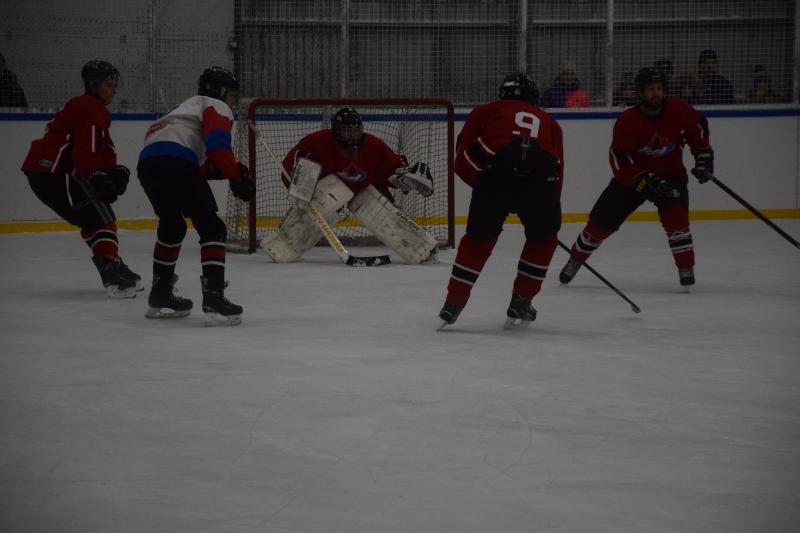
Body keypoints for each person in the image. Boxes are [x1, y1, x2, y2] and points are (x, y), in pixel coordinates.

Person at [558, 67, 714, 289]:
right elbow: (619, 157)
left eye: (659, 88)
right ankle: (576, 259)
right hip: (632, 178)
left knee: (677, 219)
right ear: (640, 92)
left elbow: (699, 129)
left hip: (670, 176)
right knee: (600, 222)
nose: (656, 93)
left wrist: (703, 158)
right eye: (650, 89)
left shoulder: (680, 110)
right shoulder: (628, 119)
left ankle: (685, 267)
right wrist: (643, 179)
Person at [438, 72, 563, 328]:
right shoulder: (550, 122)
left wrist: (485, 187)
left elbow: (462, 159)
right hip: (539, 181)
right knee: (543, 240)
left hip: (495, 178)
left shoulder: (484, 111)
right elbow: (557, 172)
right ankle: (522, 300)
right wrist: (546, 213)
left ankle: (453, 303)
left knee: (478, 240)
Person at [137, 66, 255, 326]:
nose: (234, 102)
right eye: (233, 95)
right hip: (176, 162)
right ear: (221, 92)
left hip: (148, 164)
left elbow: (197, 163)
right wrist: (236, 176)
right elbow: (217, 147)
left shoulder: (181, 109)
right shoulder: (216, 105)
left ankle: (160, 293)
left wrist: (225, 171)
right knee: (213, 228)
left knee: (172, 226)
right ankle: (214, 297)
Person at [21, 59, 141, 297]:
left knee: (92, 219)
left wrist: (114, 171)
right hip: (56, 171)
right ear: (93, 84)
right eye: (108, 85)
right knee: (101, 218)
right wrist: (98, 175)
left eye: (115, 85)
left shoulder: (85, 107)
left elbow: (99, 147)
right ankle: (111, 269)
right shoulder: (90, 105)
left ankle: (114, 263)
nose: (114, 90)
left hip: (45, 173)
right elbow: (87, 148)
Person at [261, 106, 438, 265]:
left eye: (356, 130)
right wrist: (296, 179)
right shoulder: (317, 142)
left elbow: (390, 170)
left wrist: (404, 177)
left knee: (373, 203)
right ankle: (282, 245)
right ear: (336, 130)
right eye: (347, 131)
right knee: (336, 192)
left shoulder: (373, 145)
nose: (353, 135)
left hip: (363, 192)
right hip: (326, 194)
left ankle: (421, 248)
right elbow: (291, 167)